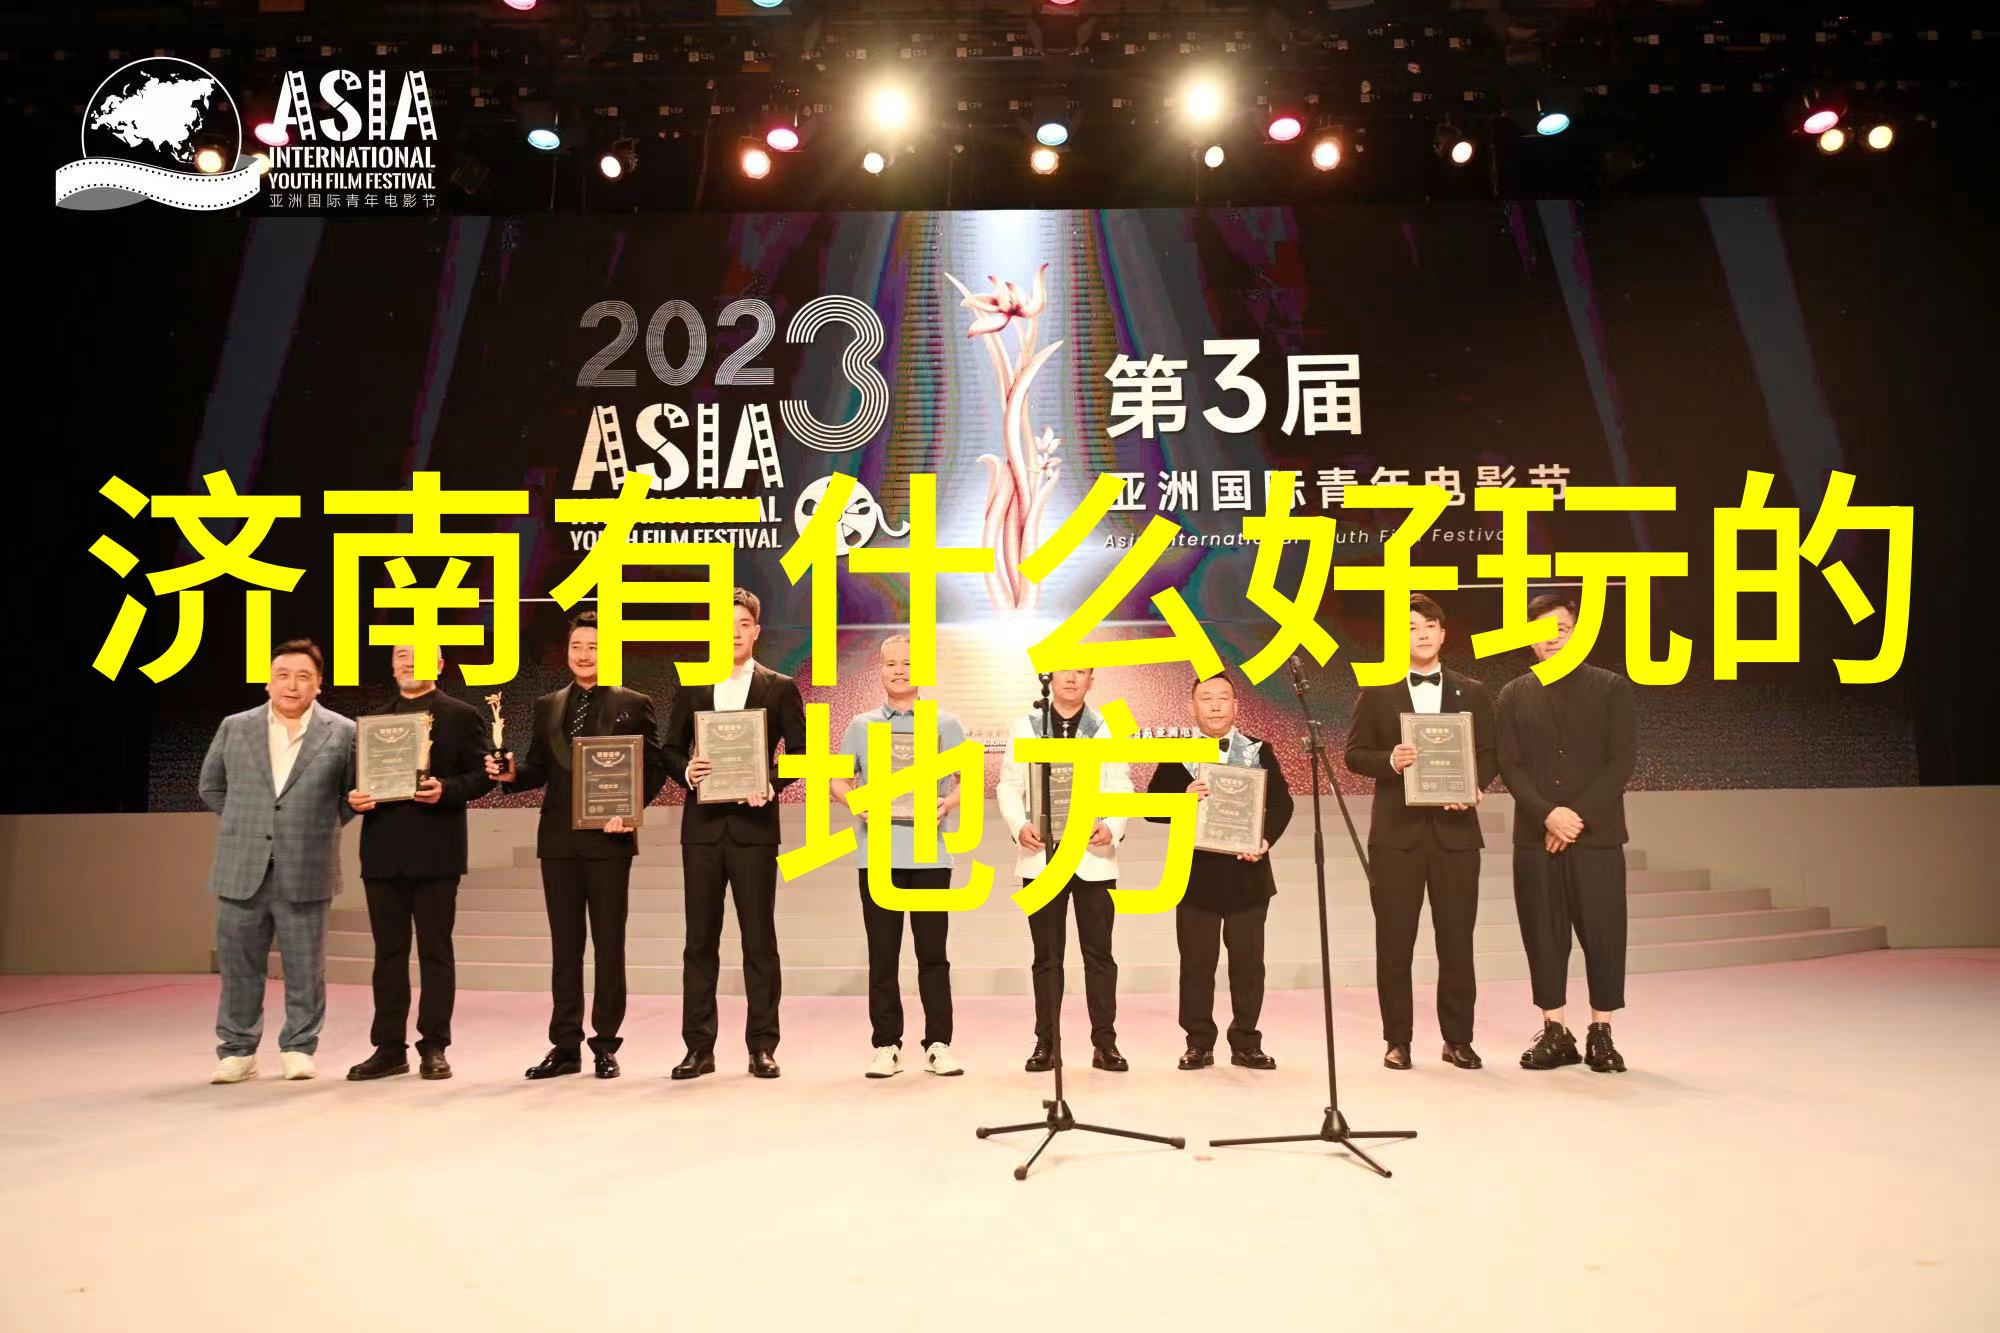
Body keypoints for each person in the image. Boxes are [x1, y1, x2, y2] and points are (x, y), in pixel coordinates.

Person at [486, 611, 666, 1081]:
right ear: (567, 652)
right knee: (565, 948)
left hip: (610, 840)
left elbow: (653, 767)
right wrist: (511, 775)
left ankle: (605, 1044)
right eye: (577, 647)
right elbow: (537, 768)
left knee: (609, 945)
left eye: (594, 647)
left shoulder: (635, 703)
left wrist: (630, 812)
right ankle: (565, 1046)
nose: (584, 655)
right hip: (558, 841)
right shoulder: (548, 705)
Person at [1343, 595, 1499, 1072]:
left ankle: (1458, 1040)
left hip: (1456, 835)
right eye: (1412, 627)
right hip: (1397, 838)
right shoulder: (1377, 693)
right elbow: (1354, 754)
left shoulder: (1473, 692)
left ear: (1443, 634)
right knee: (1394, 944)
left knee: (1457, 942)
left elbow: (1490, 752)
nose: (1423, 633)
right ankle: (1398, 1040)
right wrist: (1390, 760)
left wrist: (1473, 785)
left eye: (1430, 625)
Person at [661, 588, 807, 1080]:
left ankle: (762, 1046)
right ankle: (698, 1048)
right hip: (701, 831)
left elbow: (801, 753)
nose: (734, 633)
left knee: (758, 941)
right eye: (725, 625)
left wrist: (770, 784)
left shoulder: (779, 687)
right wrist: (688, 771)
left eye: (743, 624)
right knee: (698, 942)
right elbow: (670, 749)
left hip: (754, 829)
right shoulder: (693, 687)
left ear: (756, 631)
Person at [197, 639, 356, 1084]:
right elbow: (211, 786)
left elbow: (350, 796)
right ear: (268, 682)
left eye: (304, 677)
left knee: (306, 967)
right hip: (241, 865)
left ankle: (299, 1046)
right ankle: (238, 1051)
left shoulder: (342, 731)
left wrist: (318, 826)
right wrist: (247, 823)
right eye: (282, 675)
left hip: (307, 864)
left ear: (319, 684)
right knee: (239, 966)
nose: (292, 685)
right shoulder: (235, 726)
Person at [1496, 592, 1637, 1074]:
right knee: (1543, 935)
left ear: (1579, 632)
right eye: (1541, 630)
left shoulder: (1612, 688)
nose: (1553, 638)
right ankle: (1554, 1030)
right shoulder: (1513, 694)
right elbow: (1510, 765)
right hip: (1535, 839)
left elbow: (1621, 761)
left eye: (1562, 628)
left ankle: (1602, 1032)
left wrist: (1574, 818)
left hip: (1597, 838)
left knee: (1604, 933)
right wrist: (1547, 815)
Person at [344, 645, 495, 1082]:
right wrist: (353, 797)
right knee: (387, 954)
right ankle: (389, 1048)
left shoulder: (462, 716)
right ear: (392, 664)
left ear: (440, 665)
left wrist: (447, 789)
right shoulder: (372, 722)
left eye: (421, 655)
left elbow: (483, 775)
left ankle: (434, 1046)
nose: (410, 662)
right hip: (382, 852)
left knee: (435, 952)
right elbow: (353, 782)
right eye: (401, 655)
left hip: (436, 852)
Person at [830, 634, 965, 1079]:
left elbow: (964, 781)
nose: (900, 671)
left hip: (930, 855)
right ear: (880, 670)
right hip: (879, 854)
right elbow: (838, 779)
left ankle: (939, 1043)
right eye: (891, 664)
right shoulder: (860, 725)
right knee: (883, 955)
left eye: (908, 663)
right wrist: (855, 801)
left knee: (933, 955)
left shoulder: (947, 724)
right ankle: (886, 1044)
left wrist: (948, 802)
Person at [1145, 671, 1293, 1071]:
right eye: (1206, 698)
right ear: (1192, 707)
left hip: (1248, 874)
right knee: (1197, 965)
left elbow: (1282, 804)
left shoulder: (1259, 749)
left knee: (1248, 965)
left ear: (1235, 705)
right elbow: (1151, 806)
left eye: (1223, 697)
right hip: (1195, 875)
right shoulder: (1178, 753)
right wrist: (1182, 797)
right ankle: (1199, 1043)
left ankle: (1246, 1042)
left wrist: (1264, 840)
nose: (1215, 705)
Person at [995, 666, 1134, 1073]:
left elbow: (1121, 783)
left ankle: (1105, 1043)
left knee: (1100, 955)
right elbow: (1009, 785)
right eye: (1064, 671)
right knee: (1046, 956)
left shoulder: (1107, 725)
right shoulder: (1026, 725)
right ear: (1049, 677)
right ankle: (1046, 1043)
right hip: (1042, 855)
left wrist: (1112, 825)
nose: (1072, 679)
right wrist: (1019, 825)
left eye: (1081, 672)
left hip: (1093, 855)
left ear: (1091, 679)